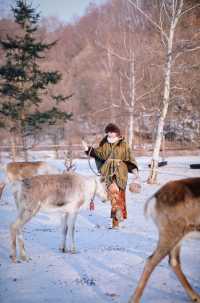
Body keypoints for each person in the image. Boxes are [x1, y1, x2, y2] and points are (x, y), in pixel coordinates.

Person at [82, 123, 139, 229]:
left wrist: (135, 172)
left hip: (121, 172)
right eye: (108, 132)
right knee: (113, 193)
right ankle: (117, 217)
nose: (110, 134)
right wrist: (87, 149)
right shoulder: (105, 143)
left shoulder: (123, 144)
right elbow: (99, 154)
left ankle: (116, 221)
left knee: (119, 196)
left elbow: (129, 157)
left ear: (117, 132)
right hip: (108, 172)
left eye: (112, 132)